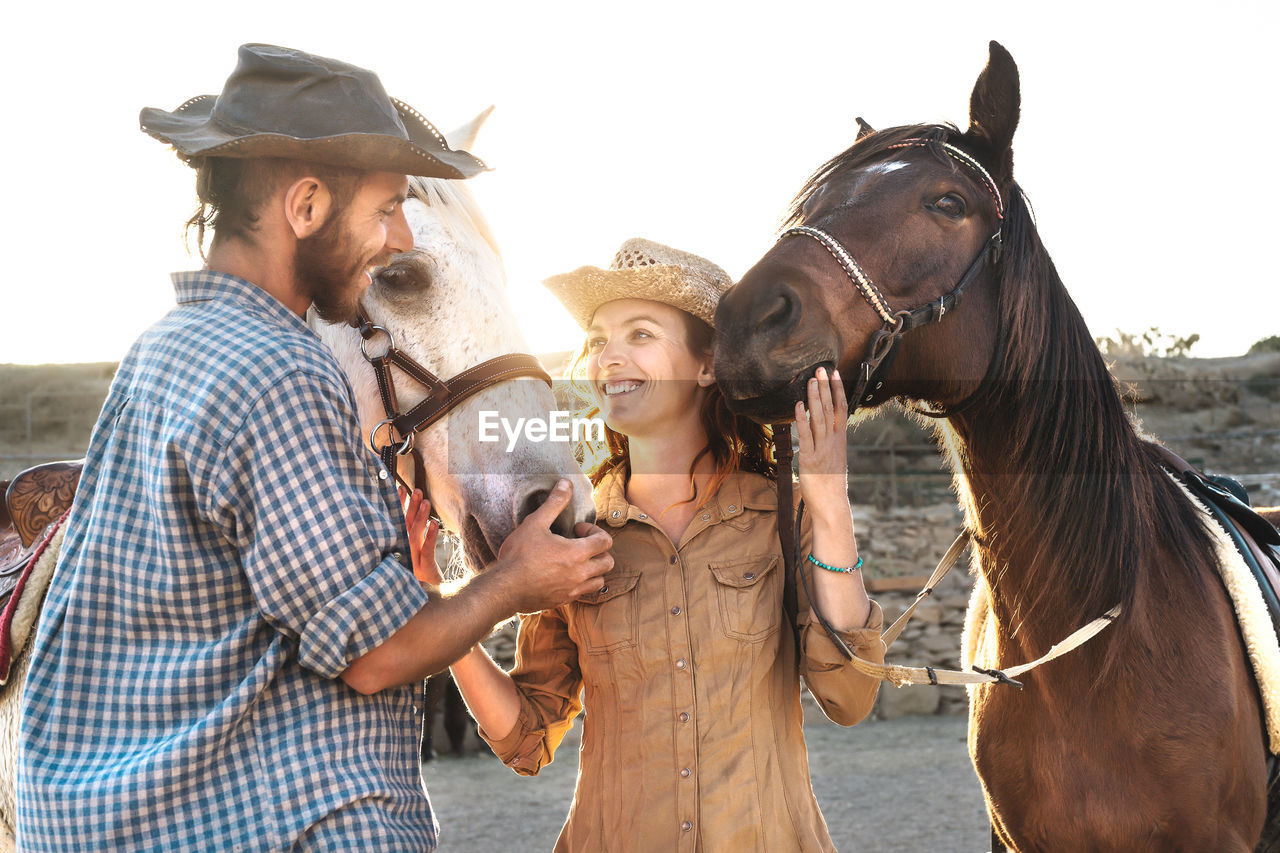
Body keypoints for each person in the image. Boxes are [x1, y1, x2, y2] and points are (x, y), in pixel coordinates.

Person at [16, 44, 612, 851]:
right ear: (303, 207)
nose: (394, 233)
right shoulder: (281, 372)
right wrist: (512, 580)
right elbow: (373, 654)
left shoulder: (164, 349)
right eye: (384, 215)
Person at [406, 239, 887, 851]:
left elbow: (849, 694)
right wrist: (440, 612)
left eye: (639, 334)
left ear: (707, 363)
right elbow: (526, 739)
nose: (609, 356)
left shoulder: (779, 516)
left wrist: (827, 501)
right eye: (600, 338)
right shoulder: (569, 529)